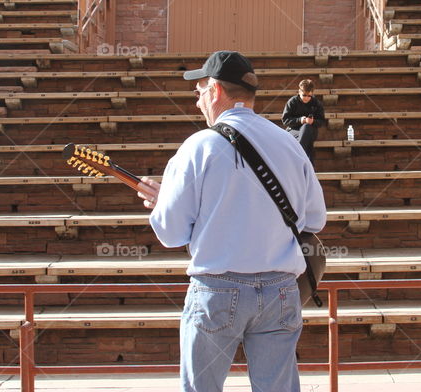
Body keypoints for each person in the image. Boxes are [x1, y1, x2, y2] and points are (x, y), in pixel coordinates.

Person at [135, 50, 326, 392]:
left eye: (199, 93)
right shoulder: (289, 142)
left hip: (218, 289)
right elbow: (314, 219)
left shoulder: (199, 146)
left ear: (216, 91)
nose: (197, 103)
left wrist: (163, 204)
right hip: (280, 288)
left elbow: (170, 233)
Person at [281, 78, 326, 167]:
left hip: (310, 130)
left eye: (309, 96)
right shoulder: (293, 101)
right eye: (304, 95)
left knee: (306, 128)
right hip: (294, 130)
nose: (306, 98)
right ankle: (307, 165)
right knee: (308, 144)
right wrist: (300, 120)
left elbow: (321, 121)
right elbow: (285, 120)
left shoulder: (316, 103)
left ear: (312, 94)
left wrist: (313, 121)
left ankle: (297, 157)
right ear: (299, 92)